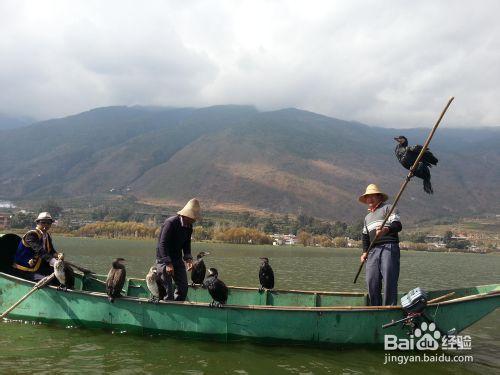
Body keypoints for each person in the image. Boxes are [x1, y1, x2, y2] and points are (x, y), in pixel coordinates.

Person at [358, 184, 402, 306]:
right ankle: (375, 308)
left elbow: (398, 225)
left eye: (372, 196)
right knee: (371, 280)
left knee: (389, 279)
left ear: (379, 197)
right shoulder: (367, 218)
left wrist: (385, 231)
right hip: (372, 251)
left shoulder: (388, 208)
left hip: (389, 247)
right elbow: (365, 237)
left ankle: (389, 308)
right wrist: (364, 252)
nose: (369, 200)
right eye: (367, 197)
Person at [155, 198, 201, 301]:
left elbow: (186, 244)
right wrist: (167, 263)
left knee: (183, 288)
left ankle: (178, 309)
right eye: (193, 217)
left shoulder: (189, 227)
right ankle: (166, 310)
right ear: (186, 215)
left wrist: (188, 259)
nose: (194, 220)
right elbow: (162, 244)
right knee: (168, 292)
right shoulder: (170, 223)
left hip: (177, 259)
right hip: (163, 259)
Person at [12, 212, 58, 281]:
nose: (46, 225)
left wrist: (58, 256)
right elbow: (39, 250)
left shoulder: (47, 235)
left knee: (62, 274)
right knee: (47, 280)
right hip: (23, 269)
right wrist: (53, 261)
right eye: (43, 223)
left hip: (38, 268)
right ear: (37, 223)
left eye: (48, 223)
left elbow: (51, 251)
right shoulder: (31, 235)